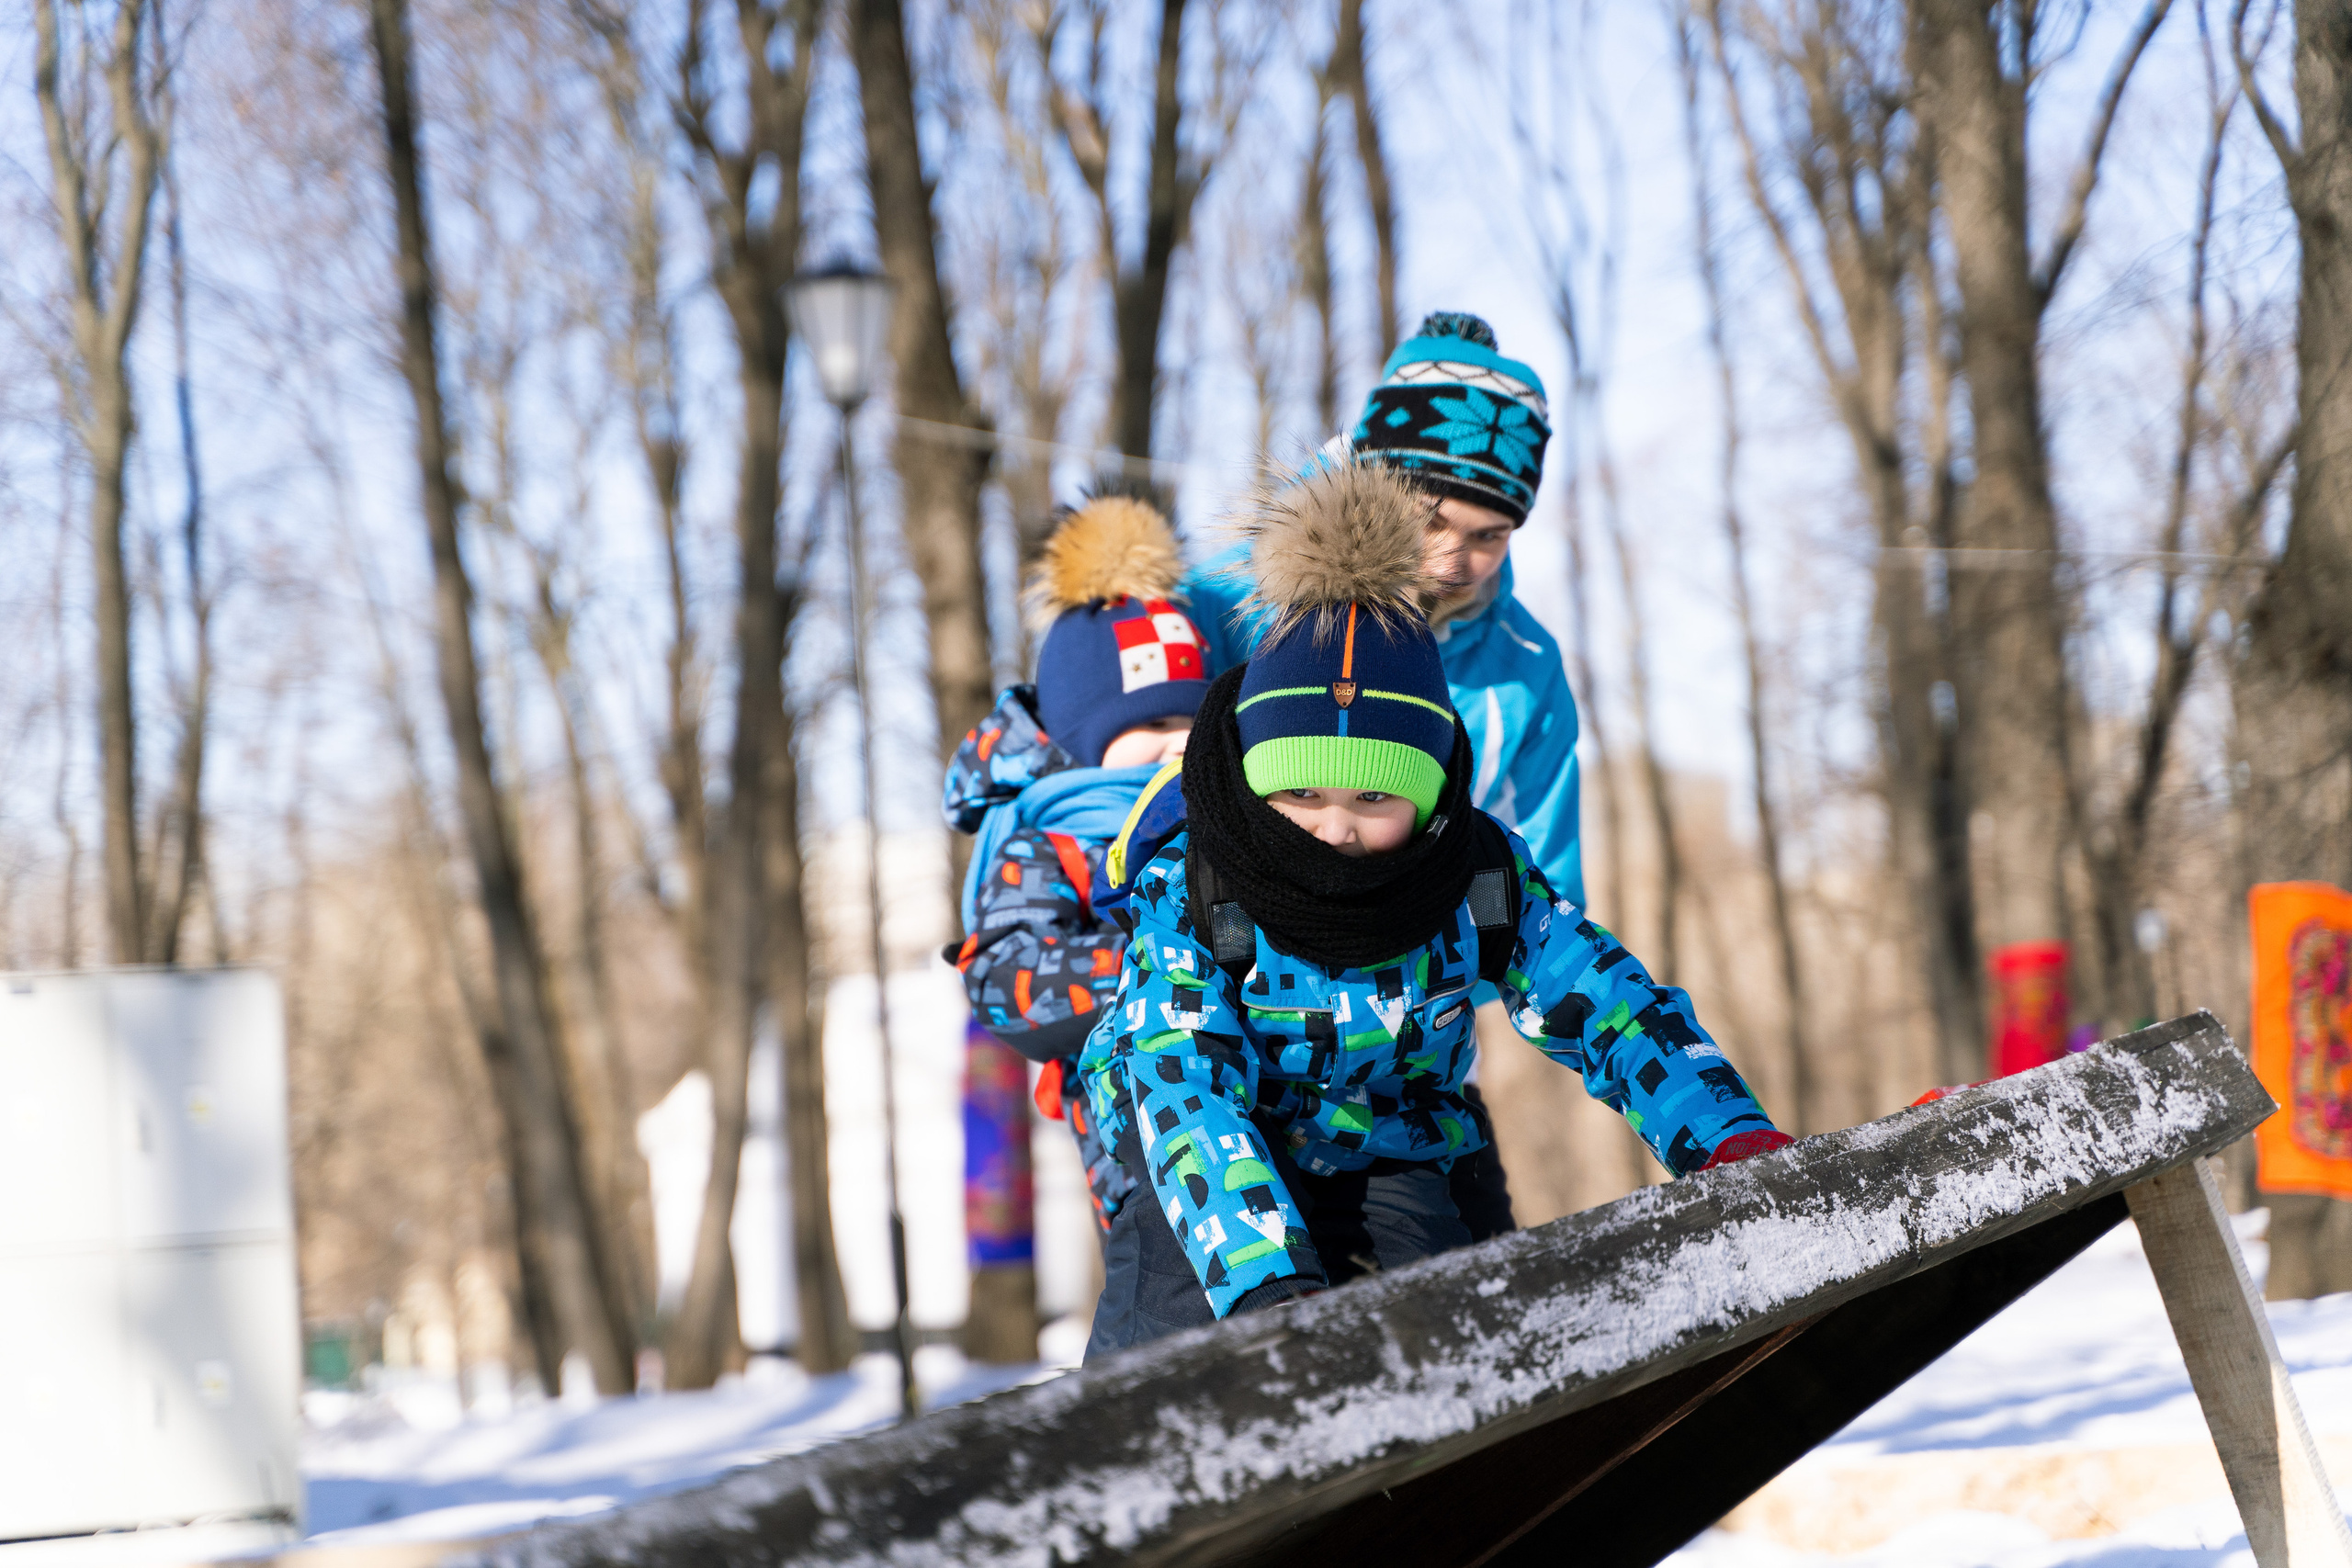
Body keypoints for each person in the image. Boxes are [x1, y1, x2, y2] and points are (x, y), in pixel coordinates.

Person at [1080, 464, 1789, 1356]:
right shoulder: (1199, 886)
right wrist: (1269, 1293)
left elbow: (1613, 1009)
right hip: (1206, 1148)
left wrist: (1727, 1141)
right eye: (1299, 790)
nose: (1334, 827)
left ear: (1429, 800)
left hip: (1395, 1137)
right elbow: (1179, 1078)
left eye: (1374, 802)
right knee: (1177, 1339)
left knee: (1462, 1338)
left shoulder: (1472, 874)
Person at [1182, 310, 1585, 906]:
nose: (1453, 561)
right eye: (1433, 518)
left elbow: (1541, 881)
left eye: (1488, 536)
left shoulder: (1525, 667)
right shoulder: (1233, 599)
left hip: (1421, 980)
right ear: (1375, 485)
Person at [944, 492, 1210, 1230]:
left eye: (1194, 718)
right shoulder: (1051, 842)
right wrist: (1165, 962)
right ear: (1081, 736)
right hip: (1144, 1160)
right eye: (1154, 722)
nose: (1181, 742)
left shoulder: (1221, 816)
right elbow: (1011, 979)